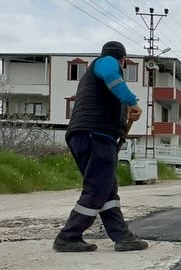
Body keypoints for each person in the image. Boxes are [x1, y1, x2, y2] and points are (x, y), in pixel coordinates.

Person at [53, 40, 149, 253]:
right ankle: (68, 236)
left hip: (90, 135)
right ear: (123, 60)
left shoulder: (94, 76)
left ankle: (122, 237)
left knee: (106, 189)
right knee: (97, 187)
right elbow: (112, 78)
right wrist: (133, 102)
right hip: (94, 135)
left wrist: (123, 117)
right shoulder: (105, 63)